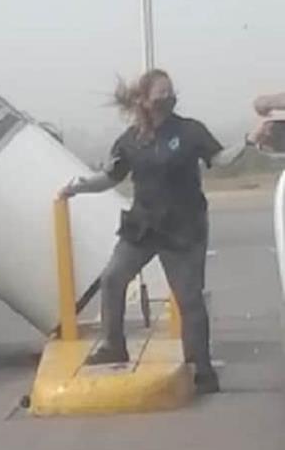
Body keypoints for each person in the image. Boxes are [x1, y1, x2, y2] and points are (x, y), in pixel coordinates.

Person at [59, 69, 267, 395]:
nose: (167, 97)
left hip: (184, 227)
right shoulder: (130, 140)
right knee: (113, 278)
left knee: (189, 299)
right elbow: (110, 177)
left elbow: (221, 159)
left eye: (171, 92)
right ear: (143, 99)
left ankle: (201, 368)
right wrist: (78, 187)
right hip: (143, 225)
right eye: (160, 92)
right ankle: (114, 345)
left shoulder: (190, 131)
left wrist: (248, 141)